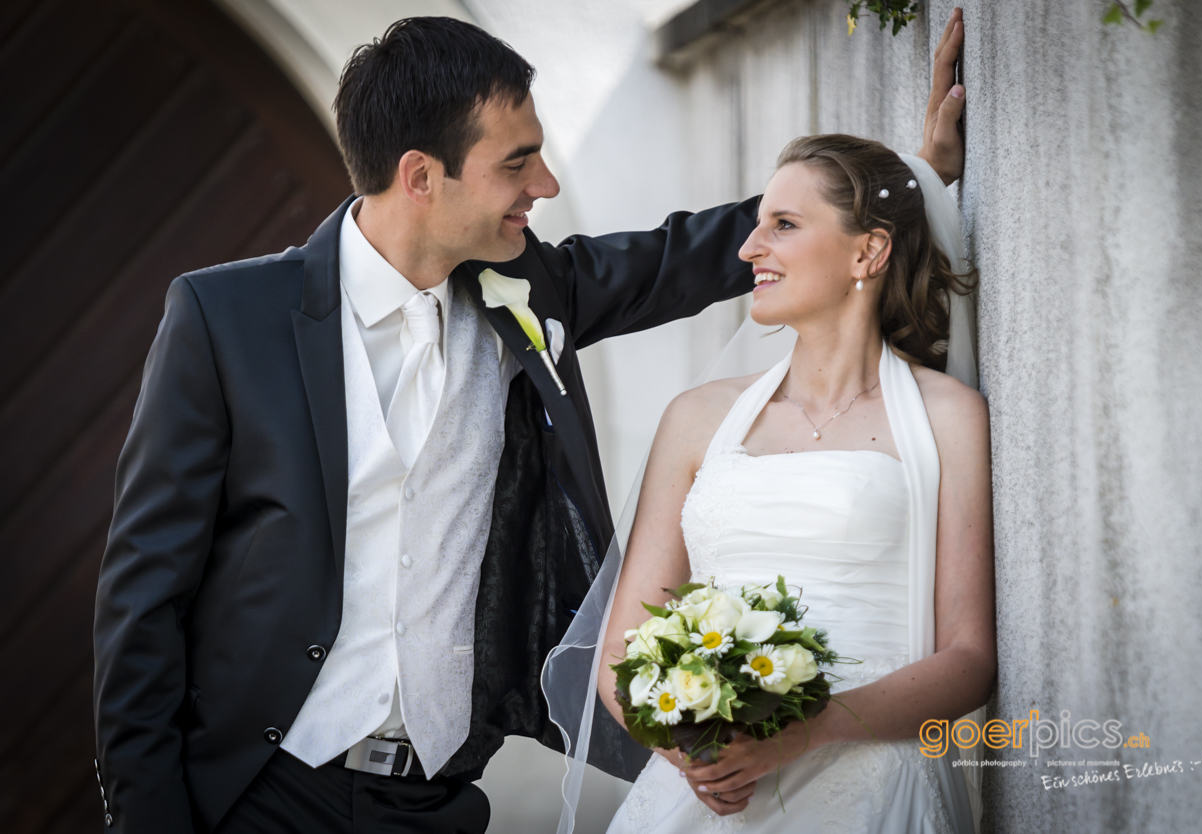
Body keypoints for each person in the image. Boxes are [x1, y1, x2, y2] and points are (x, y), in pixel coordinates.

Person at [92, 11, 969, 834]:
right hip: (260, 793)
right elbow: (143, 595)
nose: (545, 186)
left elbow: (691, 255)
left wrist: (909, 181)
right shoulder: (226, 316)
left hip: (435, 799)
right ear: (421, 176)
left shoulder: (526, 290)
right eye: (518, 163)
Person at [593, 124, 993, 830]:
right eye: (756, 227)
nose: (750, 249)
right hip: (705, 801)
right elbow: (621, 652)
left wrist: (807, 733)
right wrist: (692, 753)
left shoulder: (949, 418)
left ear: (868, 250)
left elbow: (968, 658)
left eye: (782, 225)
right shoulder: (696, 418)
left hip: (868, 791)